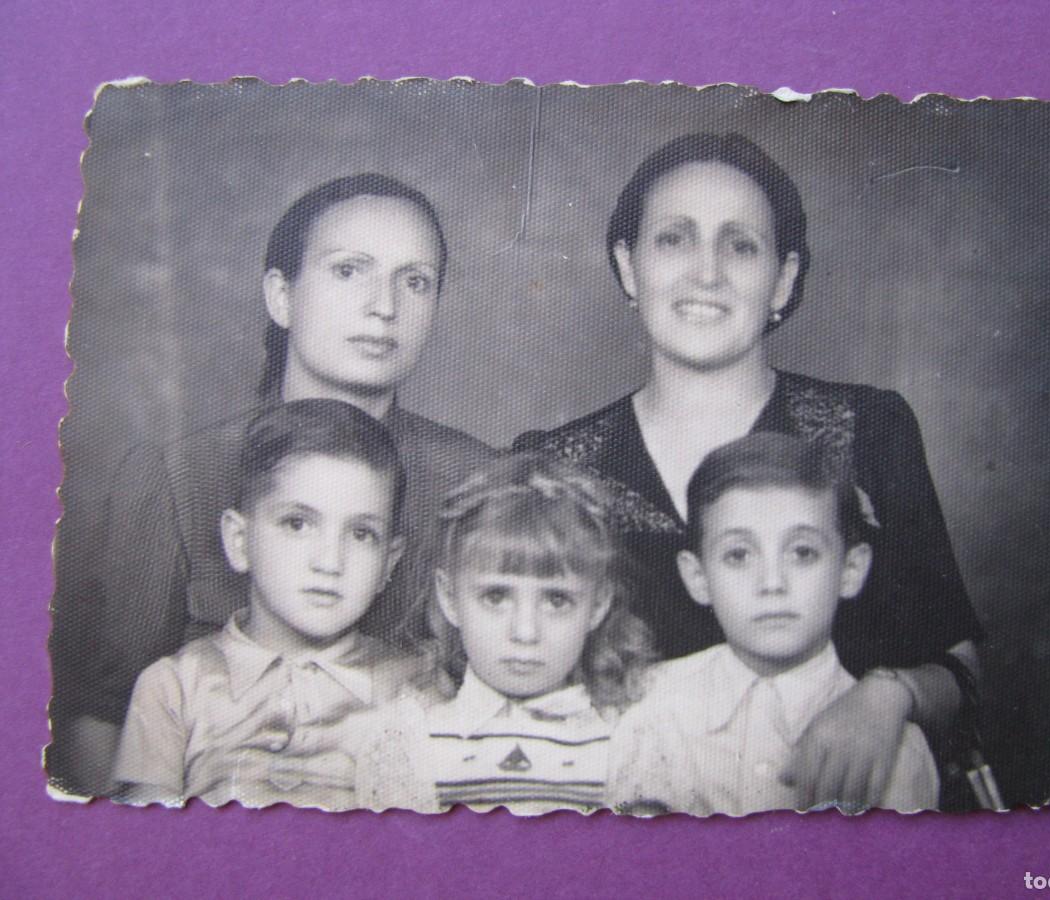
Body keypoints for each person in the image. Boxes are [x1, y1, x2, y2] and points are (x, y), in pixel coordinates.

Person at [516, 133, 983, 809]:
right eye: (673, 239)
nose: (706, 273)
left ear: (783, 279)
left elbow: (962, 672)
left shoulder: (868, 430)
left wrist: (890, 697)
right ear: (628, 266)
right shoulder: (552, 468)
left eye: (740, 246)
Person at [50, 174, 495, 796]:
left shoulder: (480, 485)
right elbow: (104, 717)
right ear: (281, 297)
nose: (384, 306)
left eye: (415, 281)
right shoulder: (177, 476)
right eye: (349, 271)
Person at [113, 400, 429, 808]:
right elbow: (143, 837)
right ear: (240, 541)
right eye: (297, 524)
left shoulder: (416, 688)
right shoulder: (174, 688)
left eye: (361, 534)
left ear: (389, 561)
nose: (330, 562)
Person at [609, 432, 939, 815]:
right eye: (738, 555)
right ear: (697, 577)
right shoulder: (647, 707)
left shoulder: (895, 748)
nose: (772, 583)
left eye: (802, 552)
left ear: (850, 570)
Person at [355, 453, 655, 815]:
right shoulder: (411, 741)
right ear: (450, 598)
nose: (525, 632)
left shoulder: (627, 742)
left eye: (557, 600)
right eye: (495, 597)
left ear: (598, 605)